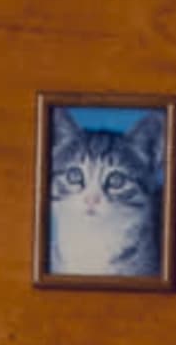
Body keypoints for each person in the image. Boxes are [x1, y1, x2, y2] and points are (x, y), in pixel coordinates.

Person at [43, 112, 164, 283]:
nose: (91, 198)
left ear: (151, 156)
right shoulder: (51, 256)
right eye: (74, 176)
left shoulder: (151, 259)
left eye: (116, 180)